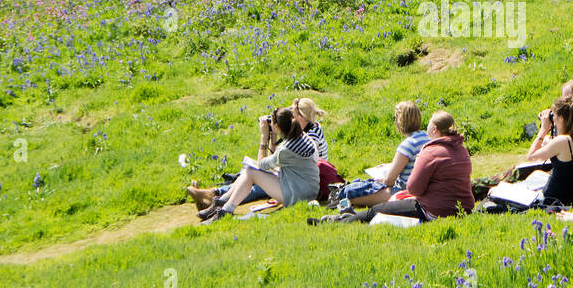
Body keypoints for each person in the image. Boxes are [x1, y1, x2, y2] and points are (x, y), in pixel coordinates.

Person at [321, 111, 474, 224]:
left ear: (434, 129)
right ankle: (349, 216)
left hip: (436, 211)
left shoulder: (431, 151)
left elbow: (413, 188)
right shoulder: (461, 150)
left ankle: (340, 221)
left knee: (377, 210)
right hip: (463, 210)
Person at [200, 107, 320, 222]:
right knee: (249, 169)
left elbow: (262, 164)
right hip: (307, 189)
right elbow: (271, 163)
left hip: (298, 195)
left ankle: (225, 210)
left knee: (251, 172)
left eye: (271, 122)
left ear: (277, 126)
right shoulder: (302, 137)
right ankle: (221, 203)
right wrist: (273, 138)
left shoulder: (286, 150)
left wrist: (264, 137)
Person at [333, 101, 429, 209]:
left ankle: (342, 199)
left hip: (405, 191)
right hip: (424, 189)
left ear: (400, 121)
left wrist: (382, 178)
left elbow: (389, 181)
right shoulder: (427, 139)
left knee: (351, 194)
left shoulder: (408, 145)